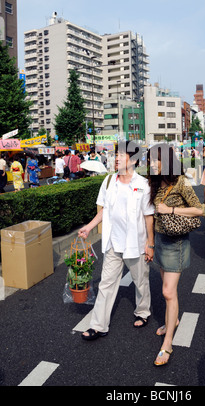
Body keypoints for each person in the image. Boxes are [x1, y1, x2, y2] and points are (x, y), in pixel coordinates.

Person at [78, 140, 155, 340]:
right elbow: (104, 209)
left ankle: (142, 312)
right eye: (117, 155)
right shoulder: (109, 181)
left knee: (140, 281)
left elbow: (148, 216)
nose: (117, 158)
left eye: (121, 155)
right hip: (113, 242)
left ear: (133, 160)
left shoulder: (143, 185)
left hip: (136, 243)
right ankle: (98, 325)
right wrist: (89, 227)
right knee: (106, 283)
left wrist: (150, 243)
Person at [147, 143, 203, 366]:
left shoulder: (180, 181)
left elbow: (199, 209)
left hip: (176, 242)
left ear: (166, 161)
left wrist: (171, 209)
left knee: (168, 292)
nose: (151, 164)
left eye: (155, 160)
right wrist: (150, 243)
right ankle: (174, 319)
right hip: (160, 240)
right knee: (168, 292)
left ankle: (168, 342)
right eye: (149, 160)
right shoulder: (153, 183)